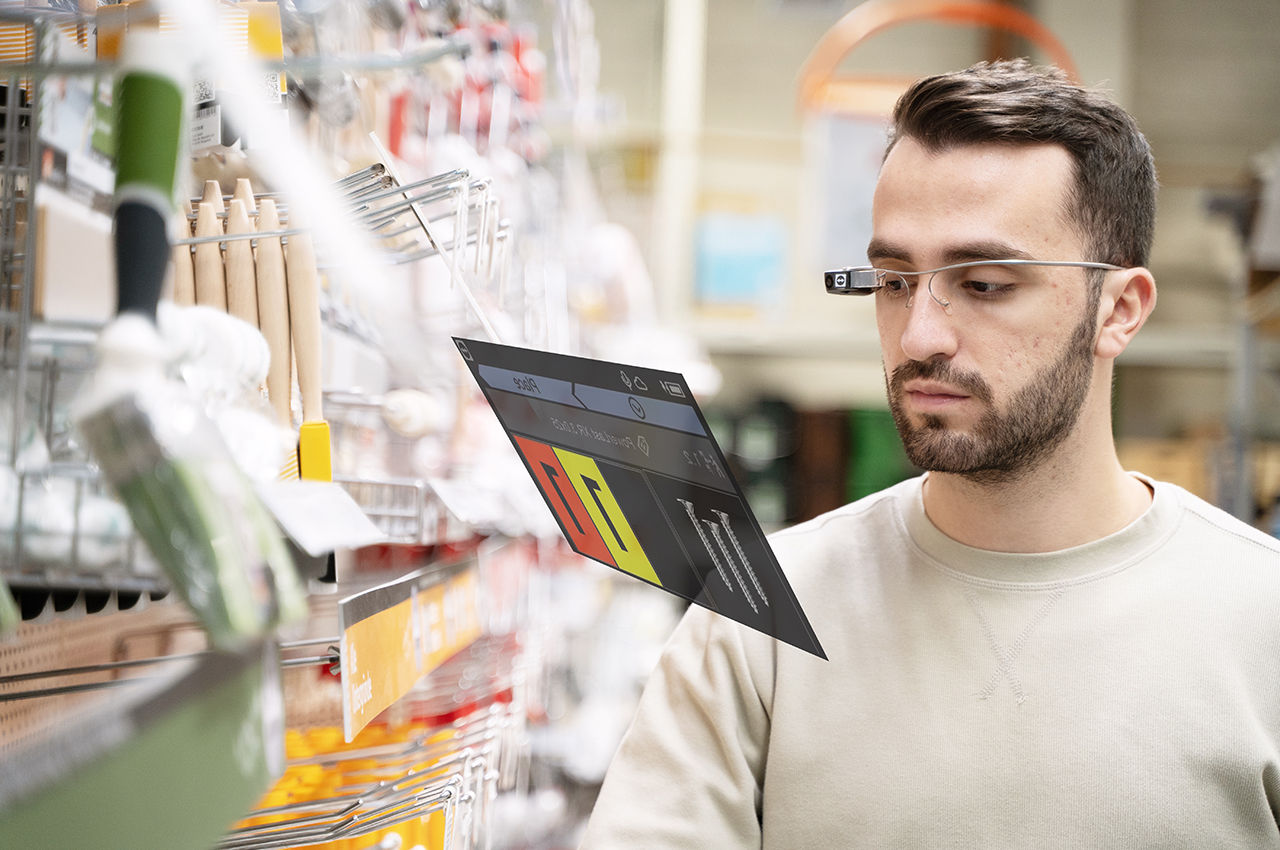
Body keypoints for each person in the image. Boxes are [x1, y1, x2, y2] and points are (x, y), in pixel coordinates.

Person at [579, 59, 1280, 848]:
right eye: (893, 281)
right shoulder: (761, 619)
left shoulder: (1263, 621)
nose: (919, 337)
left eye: (982, 283)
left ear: (1118, 310)